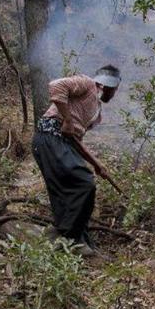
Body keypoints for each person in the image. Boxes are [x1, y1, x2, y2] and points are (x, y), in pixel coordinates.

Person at [32, 65, 121, 256]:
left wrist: (97, 164)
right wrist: (68, 119)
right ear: (109, 86)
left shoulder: (96, 113)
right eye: (115, 90)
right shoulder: (87, 84)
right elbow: (56, 86)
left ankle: (73, 238)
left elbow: (75, 140)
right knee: (84, 182)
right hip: (50, 136)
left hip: (61, 143)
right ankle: (69, 237)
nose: (114, 94)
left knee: (65, 189)